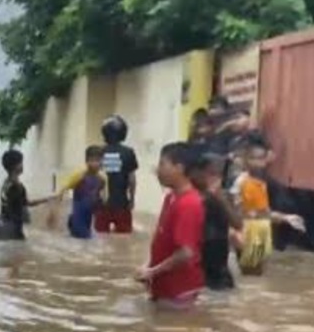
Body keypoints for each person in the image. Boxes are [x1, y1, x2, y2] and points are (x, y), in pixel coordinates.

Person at [134, 143, 205, 309]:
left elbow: (186, 253)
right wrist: (148, 265)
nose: (157, 170)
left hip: (178, 292)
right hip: (164, 288)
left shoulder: (189, 204)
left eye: (162, 164)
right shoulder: (171, 198)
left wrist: (153, 271)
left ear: (179, 168)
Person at [231, 140, 305, 275]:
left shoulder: (260, 182)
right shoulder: (247, 183)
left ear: (266, 160)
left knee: (256, 274)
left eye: (260, 159)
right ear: (245, 160)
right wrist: (285, 218)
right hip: (251, 230)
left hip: (259, 229)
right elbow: (259, 213)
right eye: (253, 158)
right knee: (252, 274)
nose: (257, 163)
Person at [190, 152, 243, 290]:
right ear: (196, 173)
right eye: (211, 174)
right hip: (197, 262)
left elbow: (238, 224)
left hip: (220, 265)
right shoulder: (190, 196)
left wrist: (221, 199)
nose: (216, 179)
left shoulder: (225, 196)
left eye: (219, 174)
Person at [0, 149, 54, 241]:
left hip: (1, 225)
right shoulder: (17, 187)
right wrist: (47, 199)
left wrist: (46, 199)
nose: (22, 166)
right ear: (15, 166)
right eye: (21, 163)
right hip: (12, 230)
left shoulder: (6, 183)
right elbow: (25, 206)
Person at [95, 115, 139, 234]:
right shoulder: (128, 152)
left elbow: (94, 178)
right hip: (122, 203)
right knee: (124, 239)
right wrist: (132, 199)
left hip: (102, 205)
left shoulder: (98, 152)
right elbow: (132, 180)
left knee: (100, 237)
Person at [57, 146, 107, 239]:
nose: (95, 163)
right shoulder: (80, 176)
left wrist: (101, 206)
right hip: (78, 213)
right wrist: (55, 208)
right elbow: (64, 189)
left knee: (87, 236)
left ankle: (72, 223)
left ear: (102, 162)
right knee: (82, 236)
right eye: (92, 160)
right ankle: (72, 221)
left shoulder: (102, 180)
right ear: (86, 161)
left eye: (98, 160)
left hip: (89, 215)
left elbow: (102, 197)